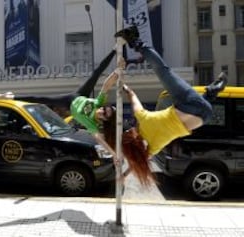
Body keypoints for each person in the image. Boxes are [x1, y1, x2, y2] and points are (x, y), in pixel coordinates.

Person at [70, 25, 227, 186]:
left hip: (204, 117)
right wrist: (125, 88)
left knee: (200, 101)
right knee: (162, 71)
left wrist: (124, 175)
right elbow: (133, 96)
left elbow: (137, 162)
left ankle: (212, 93)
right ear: (133, 134)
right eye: (130, 131)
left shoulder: (152, 148)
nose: (130, 128)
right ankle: (135, 40)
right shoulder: (143, 119)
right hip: (190, 105)